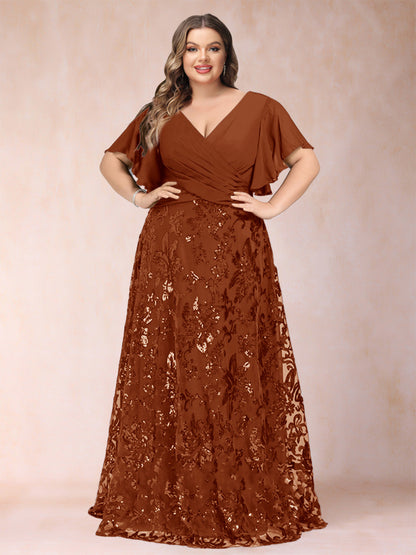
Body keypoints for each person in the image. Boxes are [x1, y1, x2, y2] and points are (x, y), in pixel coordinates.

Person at [88, 12, 328, 548]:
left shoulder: (262, 108)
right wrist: (141, 197)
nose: (202, 57)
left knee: (233, 358)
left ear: (226, 55)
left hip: (237, 250)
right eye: (192, 48)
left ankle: (237, 489)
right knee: (172, 360)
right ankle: (183, 490)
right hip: (169, 250)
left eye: (213, 47)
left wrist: (272, 208)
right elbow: (111, 161)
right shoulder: (159, 113)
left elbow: (307, 161)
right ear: (179, 56)